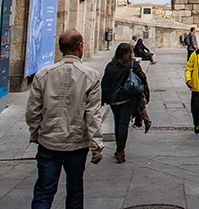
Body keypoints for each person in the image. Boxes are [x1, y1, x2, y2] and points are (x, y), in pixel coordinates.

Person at [26, 30, 103, 209]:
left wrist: (37, 133)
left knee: (44, 191)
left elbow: (32, 111)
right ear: (80, 46)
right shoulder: (91, 76)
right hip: (76, 144)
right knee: (75, 190)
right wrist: (96, 146)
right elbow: (92, 114)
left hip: (48, 142)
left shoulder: (43, 74)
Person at [101, 42, 150, 163]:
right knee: (124, 122)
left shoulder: (110, 65)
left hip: (114, 100)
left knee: (117, 122)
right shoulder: (132, 64)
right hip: (128, 98)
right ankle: (120, 150)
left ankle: (119, 148)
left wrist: (105, 99)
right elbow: (143, 78)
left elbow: (105, 83)